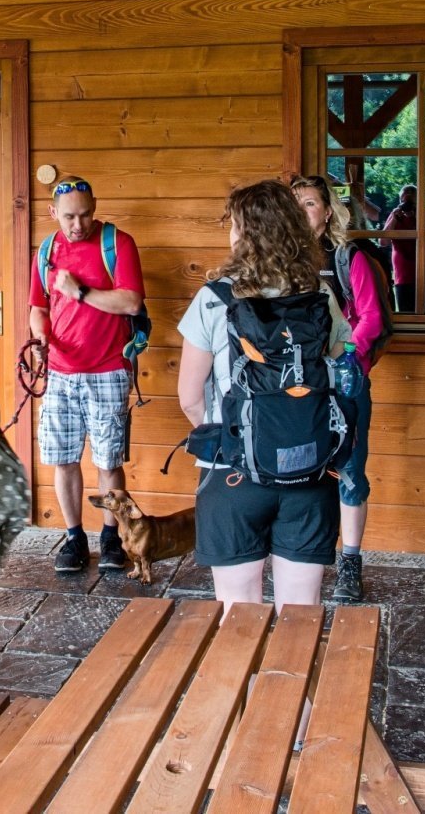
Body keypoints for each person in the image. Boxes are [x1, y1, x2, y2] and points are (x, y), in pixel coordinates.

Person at [177, 180, 349, 610]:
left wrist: (237, 439)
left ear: (243, 232)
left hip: (232, 473)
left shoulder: (214, 298)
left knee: (238, 616)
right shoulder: (318, 293)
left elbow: (189, 397)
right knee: (300, 614)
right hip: (309, 467)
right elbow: (335, 358)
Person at [28, 176, 145, 575]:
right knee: (63, 459)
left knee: (109, 458)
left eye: (86, 214)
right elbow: (38, 307)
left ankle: (111, 537)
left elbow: (131, 302)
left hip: (109, 368)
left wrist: (80, 292)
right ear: (52, 213)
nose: (78, 224)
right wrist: (40, 336)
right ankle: (74, 537)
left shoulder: (118, 243)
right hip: (60, 371)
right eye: (69, 217)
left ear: (95, 206)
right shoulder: (46, 250)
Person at [290, 174, 389, 603]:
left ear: (328, 211)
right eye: (295, 204)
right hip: (293, 386)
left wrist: (344, 356)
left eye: (310, 204)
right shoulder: (279, 262)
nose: (302, 212)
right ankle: (306, 554)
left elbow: (371, 318)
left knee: (348, 471)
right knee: (297, 470)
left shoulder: (349, 259)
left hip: (342, 381)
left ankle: (349, 562)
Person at [382, 184, 419, 313]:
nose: (407, 204)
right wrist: (394, 218)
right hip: (402, 276)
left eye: (410, 200)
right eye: (404, 200)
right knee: (405, 314)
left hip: (423, 275)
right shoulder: (395, 216)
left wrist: (417, 216)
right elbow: (383, 242)